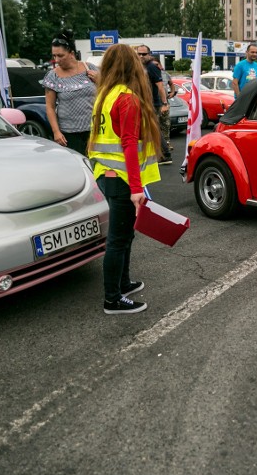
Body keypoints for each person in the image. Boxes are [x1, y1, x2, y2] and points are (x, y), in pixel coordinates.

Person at [88, 44, 162, 314]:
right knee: (118, 240)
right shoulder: (127, 97)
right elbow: (129, 144)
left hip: (106, 175)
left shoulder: (104, 96)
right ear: (133, 67)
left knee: (125, 235)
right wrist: (135, 189)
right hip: (121, 179)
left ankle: (124, 283)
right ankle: (113, 299)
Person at [40, 31, 98, 155]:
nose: (56, 60)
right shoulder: (52, 76)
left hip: (95, 130)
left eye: (60, 55)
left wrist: (101, 80)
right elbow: (50, 107)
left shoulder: (90, 68)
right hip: (69, 134)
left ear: (71, 53)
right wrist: (56, 132)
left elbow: (107, 92)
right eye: (54, 56)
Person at [137, 45, 174, 164]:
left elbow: (160, 87)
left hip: (153, 104)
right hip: (144, 103)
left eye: (144, 54)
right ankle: (160, 154)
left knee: (154, 129)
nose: (141, 56)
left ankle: (165, 155)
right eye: (139, 54)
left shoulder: (152, 67)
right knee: (150, 129)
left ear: (149, 54)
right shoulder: (140, 67)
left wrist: (164, 103)